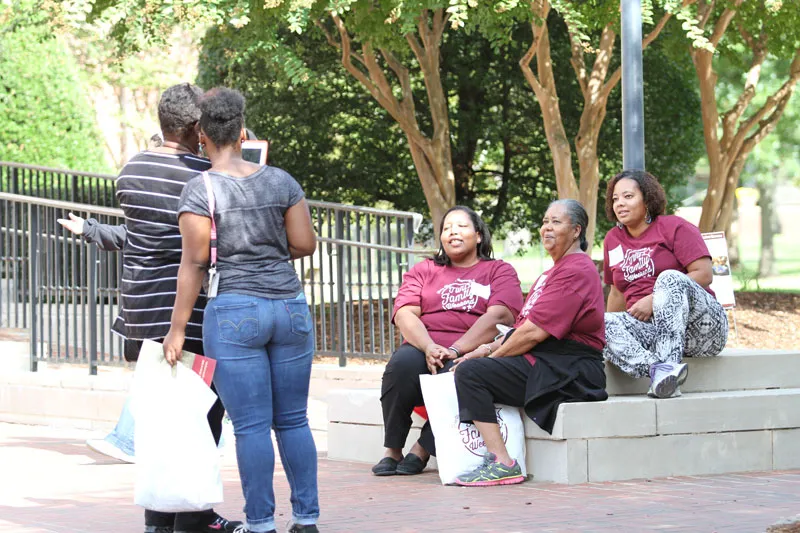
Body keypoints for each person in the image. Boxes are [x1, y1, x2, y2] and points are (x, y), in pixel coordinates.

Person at [57, 83, 241, 533]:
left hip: (141, 315)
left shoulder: (131, 170)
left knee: (160, 422)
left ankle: (160, 518)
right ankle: (194, 517)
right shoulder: (207, 176)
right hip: (190, 314)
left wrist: (92, 230)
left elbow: (139, 238)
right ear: (199, 127)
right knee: (203, 415)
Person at [163, 87, 319, 533]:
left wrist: (177, 331)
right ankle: (307, 521)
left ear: (202, 136)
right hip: (288, 308)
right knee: (293, 421)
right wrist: (270, 249)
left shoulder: (200, 189)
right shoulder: (281, 181)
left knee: (251, 427)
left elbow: (193, 262)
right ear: (242, 130)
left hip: (234, 312)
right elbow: (305, 243)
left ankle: (262, 524)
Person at [452, 199, 608, 487]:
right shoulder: (550, 274)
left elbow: (534, 333)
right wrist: (482, 349)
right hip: (546, 360)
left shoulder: (577, 269)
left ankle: (503, 463)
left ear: (576, 231)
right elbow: (520, 328)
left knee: (472, 374)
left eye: (555, 222)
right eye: (544, 221)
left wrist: (490, 359)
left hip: (569, 368)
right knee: (461, 366)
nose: (546, 228)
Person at [372, 206, 524, 477]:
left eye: (462, 226)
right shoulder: (424, 270)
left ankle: (422, 448)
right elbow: (404, 312)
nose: (453, 231)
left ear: (478, 236)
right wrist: (429, 346)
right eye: (447, 227)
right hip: (426, 345)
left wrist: (456, 349)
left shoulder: (499, 271)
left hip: (472, 350)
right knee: (401, 366)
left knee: (459, 374)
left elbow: (501, 314)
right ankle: (392, 449)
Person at [602, 170, 728, 398]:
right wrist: (611, 336)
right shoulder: (613, 239)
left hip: (701, 329)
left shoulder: (674, 227)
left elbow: (704, 273)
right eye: (615, 198)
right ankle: (660, 371)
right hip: (653, 333)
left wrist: (654, 299)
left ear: (647, 200)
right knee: (601, 322)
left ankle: (668, 365)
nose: (619, 203)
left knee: (669, 278)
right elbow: (617, 294)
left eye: (628, 196)